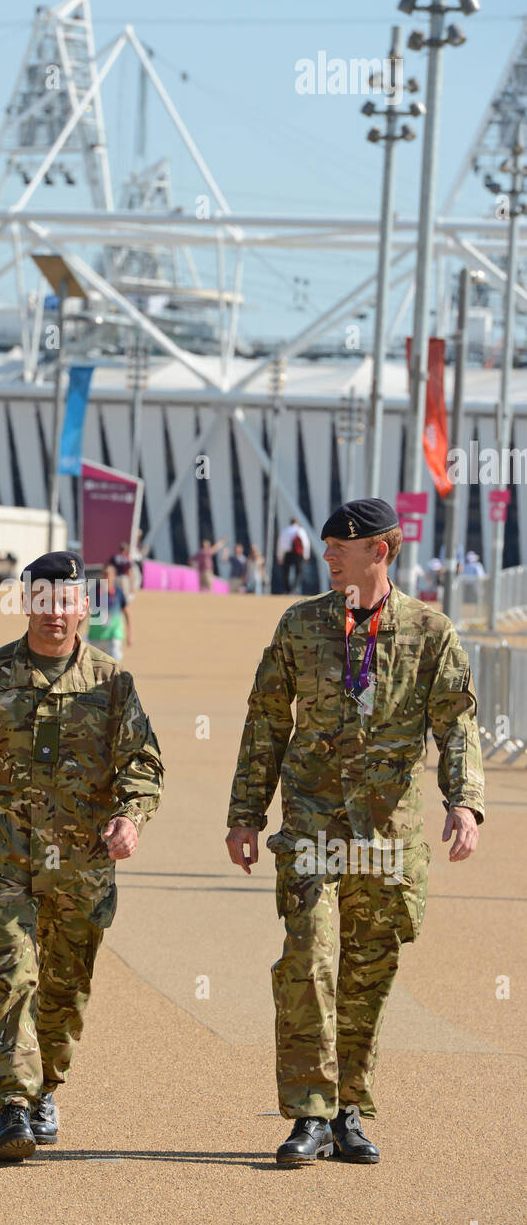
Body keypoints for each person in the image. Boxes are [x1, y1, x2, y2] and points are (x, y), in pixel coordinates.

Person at [225, 497, 484, 1167]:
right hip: (311, 819)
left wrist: (464, 802)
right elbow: (264, 722)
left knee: (368, 971)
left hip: (386, 831)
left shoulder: (430, 631)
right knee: (309, 957)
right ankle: (307, 1112)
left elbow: (455, 723)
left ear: (382, 550)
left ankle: (348, 1109)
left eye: (342, 544)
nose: (328, 553)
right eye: (326, 543)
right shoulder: (300, 625)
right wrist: (245, 813)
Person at [0, 550, 163, 1162]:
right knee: (8, 977)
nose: (55, 613)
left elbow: (144, 764)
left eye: (66, 601)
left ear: (85, 606)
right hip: (3, 861)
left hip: (81, 869)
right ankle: (11, 1105)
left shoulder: (113, 684)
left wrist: (131, 819)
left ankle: (46, 1083)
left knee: (63, 990)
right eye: (43, 600)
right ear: (25, 601)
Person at [86, 562, 133, 661]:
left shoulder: (119, 593)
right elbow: (84, 612)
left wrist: (130, 634)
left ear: (114, 576)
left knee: (114, 663)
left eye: (108, 574)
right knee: (96, 667)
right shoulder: (93, 591)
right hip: (95, 636)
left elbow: (127, 613)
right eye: (103, 574)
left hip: (113, 636)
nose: (105, 577)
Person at [277, 517, 310, 594]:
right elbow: (306, 544)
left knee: (286, 571)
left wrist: (280, 556)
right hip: (298, 553)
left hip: (287, 553)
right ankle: (294, 588)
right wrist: (306, 555)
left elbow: (280, 545)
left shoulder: (285, 531)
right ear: (297, 523)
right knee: (298, 571)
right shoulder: (300, 530)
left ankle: (287, 589)